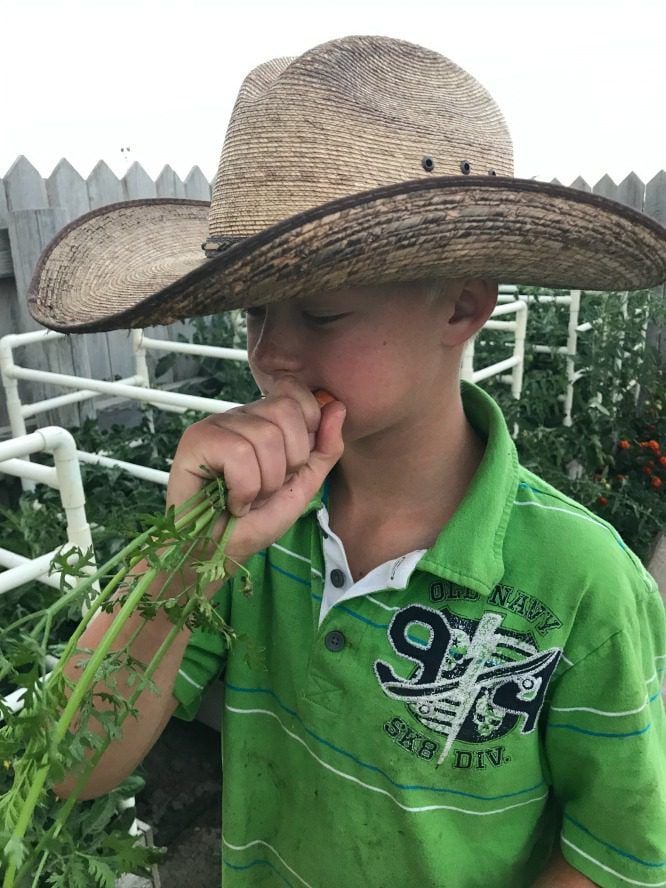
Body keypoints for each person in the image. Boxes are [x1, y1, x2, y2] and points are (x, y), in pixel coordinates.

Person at [29, 35, 666, 888]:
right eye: (253, 311)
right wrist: (186, 559)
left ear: (465, 302)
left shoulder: (581, 582)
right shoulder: (247, 532)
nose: (271, 354)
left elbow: (615, 852)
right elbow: (71, 766)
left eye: (320, 314)